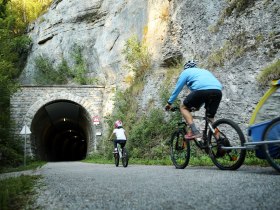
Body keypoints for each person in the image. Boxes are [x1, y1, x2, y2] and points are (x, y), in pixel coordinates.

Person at [165, 60, 223, 140]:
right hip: (217, 91)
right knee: (210, 118)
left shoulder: (186, 72)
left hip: (201, 91)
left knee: (183, 108)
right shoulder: (204, 71)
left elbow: (178, 89)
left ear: (186, 68)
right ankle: (221, 140)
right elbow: (206, 91)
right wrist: (198, 106)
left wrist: (169, 103)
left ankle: (194, 132)